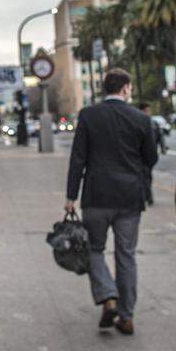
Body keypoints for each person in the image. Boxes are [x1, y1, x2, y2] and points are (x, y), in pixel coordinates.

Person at [65, 68, 157, 335]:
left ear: (105, 88)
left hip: (96, 196)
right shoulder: (141, 119)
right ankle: (126, 316)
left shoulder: (89, 115)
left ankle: (108, 296)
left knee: (93, 249)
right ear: (126, 88)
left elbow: (78, 158)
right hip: (130, 198)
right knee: (126, 255)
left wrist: (71, 196)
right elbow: (150, 159)